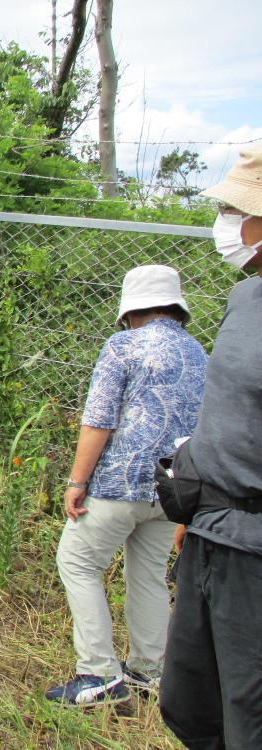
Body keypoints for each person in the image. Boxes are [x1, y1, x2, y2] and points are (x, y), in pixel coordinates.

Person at [45, 265, 207, 707]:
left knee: (77, 562)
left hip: (120, 483)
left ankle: (98, 674)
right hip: (174, 489)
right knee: (150, 575)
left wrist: (77, 481)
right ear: (177, 307)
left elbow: (98, 420)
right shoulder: (199, 353)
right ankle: (149, 673)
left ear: (130, 310)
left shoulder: (123, 346)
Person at [160, 145, 262, 749]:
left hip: (252, 547)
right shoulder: (246, 298)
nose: (223, 221)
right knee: (193, 702)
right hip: (209, 528)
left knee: (248, 712)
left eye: (233, 208)